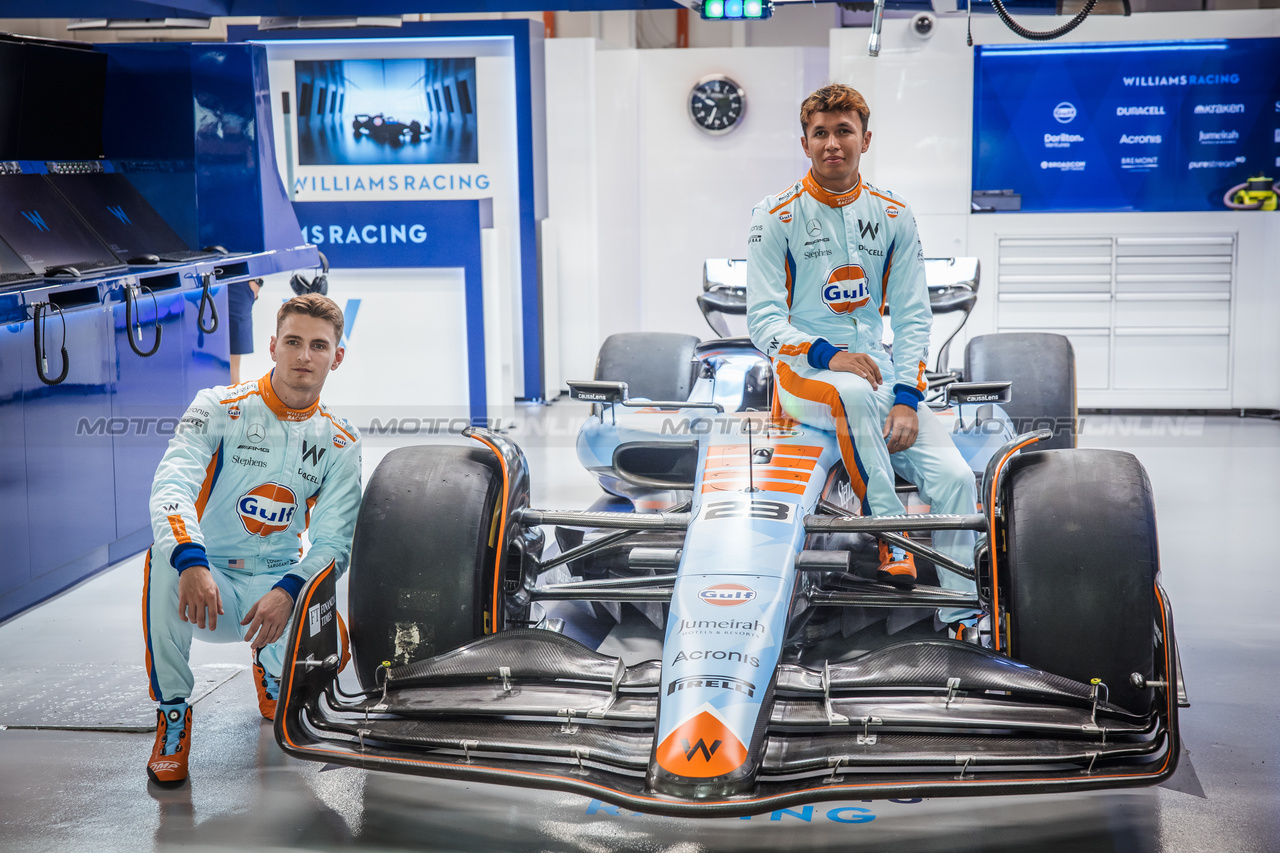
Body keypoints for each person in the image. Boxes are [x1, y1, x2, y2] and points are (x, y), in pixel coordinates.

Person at [745, 83, 983, 640]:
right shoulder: (773, 215)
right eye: (821, 133)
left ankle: (959, 619)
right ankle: (891, 537)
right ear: (804, 143)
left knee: (952, 480)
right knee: (849, 390)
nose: (833, 143)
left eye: (843, 131)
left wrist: (907, 399)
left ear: (865, 139)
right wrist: (828, 354)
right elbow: (762, 322)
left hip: (877, 375)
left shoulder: (895, 215)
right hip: (803, 374)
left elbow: (914, 317)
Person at [142, 293, 362, 787]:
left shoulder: (341, 441)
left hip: (276, 588)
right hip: (208, 585)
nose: (304, 355)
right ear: (272, 346)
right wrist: (192, 561)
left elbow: (334, 542)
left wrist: (288, 590)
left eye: (318, 345)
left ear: (336, 357)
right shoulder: (218, 406)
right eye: (293, 342)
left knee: (338, 649)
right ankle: (173, 716)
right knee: (162, 555)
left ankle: (274, 671)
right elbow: (172, 484)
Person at [228, 277, 263, 386]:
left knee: (232, 361)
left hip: (237, 281)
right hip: (202, 276)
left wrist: (257, 282)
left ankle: (233, 402)